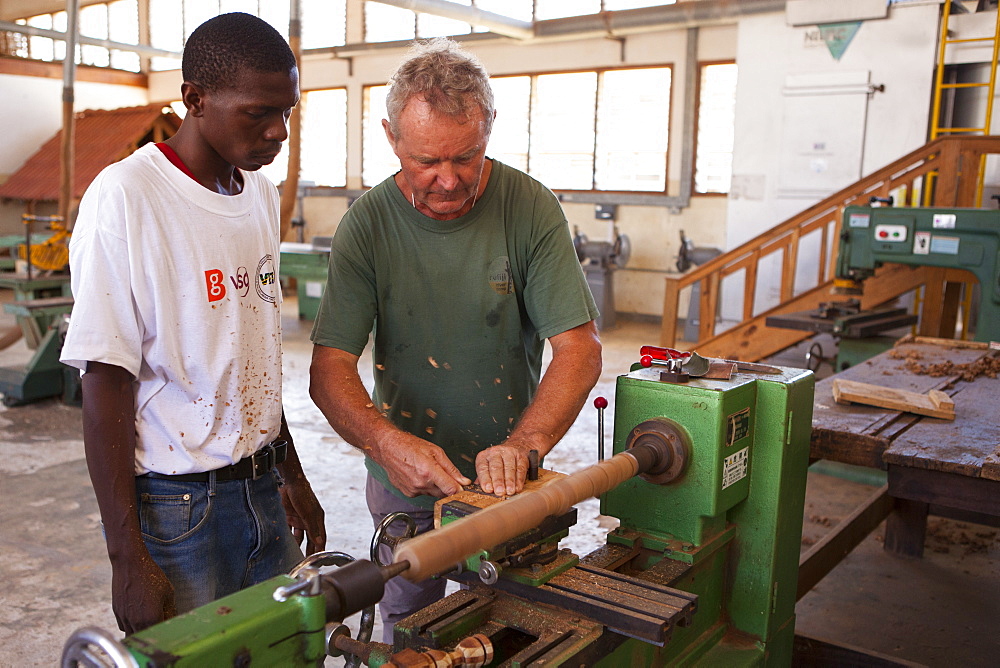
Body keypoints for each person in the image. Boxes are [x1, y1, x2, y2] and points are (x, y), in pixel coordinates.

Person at [308, 38, 602, 642]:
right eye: (425, 161)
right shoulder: (366, 225)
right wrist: (387, 445)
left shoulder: (529, 208)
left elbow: (579, 349)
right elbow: (330, 368)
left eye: (465, 157)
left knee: (509, 628)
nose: (447, 180)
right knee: (411, 629)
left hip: (510, 486)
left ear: (489, 127)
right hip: (403, 485)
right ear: (391, 138)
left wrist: (526, 443)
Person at [60, 12, 326, 635]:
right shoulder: (126, 197)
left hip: (262, 489)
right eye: (258, 112)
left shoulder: (257, 193)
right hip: (178, 509)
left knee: (279, 646)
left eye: (286, 112)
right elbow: (104, 381)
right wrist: (127, 558)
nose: (277, 132)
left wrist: (290, 472)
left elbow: (246, 353)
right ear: (195, 100)